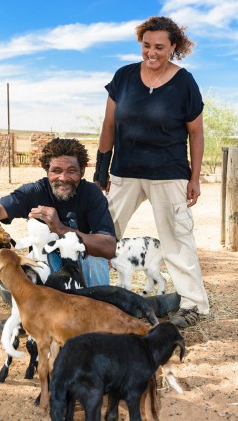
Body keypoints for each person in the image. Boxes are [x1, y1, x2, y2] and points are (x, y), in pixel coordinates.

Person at [93, 16, 209, 327]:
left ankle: (193, 306)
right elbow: (108, 125)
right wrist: (101, 167)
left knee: (175, 240)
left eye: (160, 46)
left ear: (174, 47)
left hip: (168, 174)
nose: (152, 52)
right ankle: (86, 295)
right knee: (101, 234)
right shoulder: (124, 77)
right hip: (124, 172)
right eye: (146, 45)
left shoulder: (184, 83)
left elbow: (196, 134)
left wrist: (194, 178)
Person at [0, 137, 116, 287]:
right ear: (46, 170)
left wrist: (60, 228)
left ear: (82, 171)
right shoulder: (35, 192)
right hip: (48, 263)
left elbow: (108, 247)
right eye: (56, 171)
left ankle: (99, 304)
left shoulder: (91, 193)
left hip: (81, 262)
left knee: (96, 258)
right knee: (27, 268)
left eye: (72, 171)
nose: (63, 178)